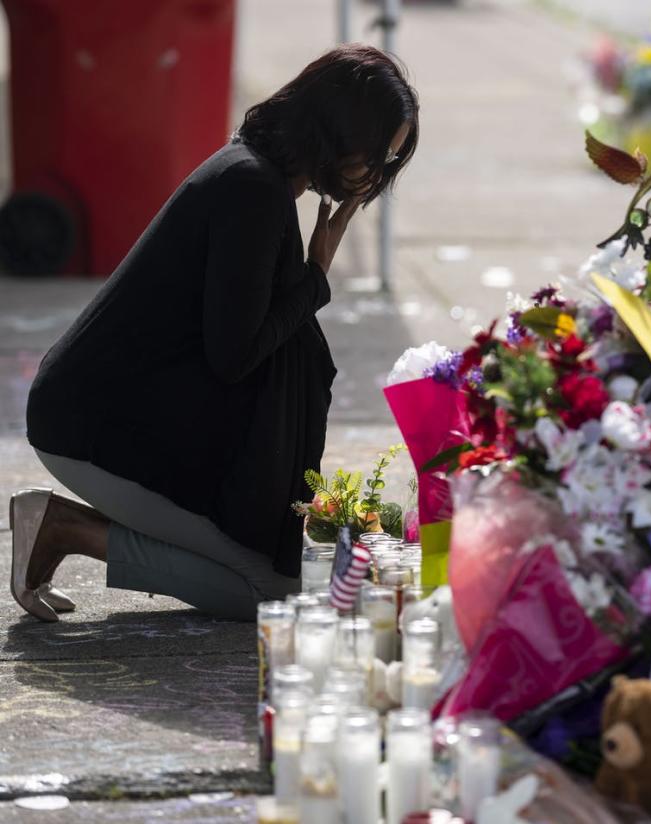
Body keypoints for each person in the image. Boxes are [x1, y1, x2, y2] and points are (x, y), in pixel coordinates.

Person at [11, 44, 419, 622]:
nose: (374, 175)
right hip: (89, 428)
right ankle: (65, 529)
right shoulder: (252, 188)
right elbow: (235, 355)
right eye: (377, 154)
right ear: (339, 131)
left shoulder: (261, 176)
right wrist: (316, 276)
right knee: (267, 590)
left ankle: (65, 527)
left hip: (127, 413)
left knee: (276, 569)